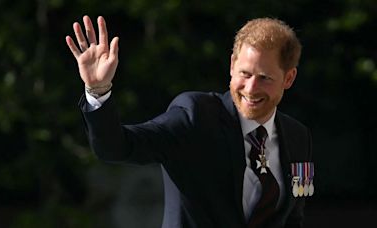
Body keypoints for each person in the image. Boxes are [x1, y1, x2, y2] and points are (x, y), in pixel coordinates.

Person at [66, 15, 313, 228]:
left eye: (265, 78)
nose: (251, 88)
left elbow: (293, 217)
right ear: (231, 66)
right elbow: (117, 148)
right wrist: (98, 90)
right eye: (245, 74)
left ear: (289, 78)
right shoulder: (195, 116)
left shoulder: (298, 137)